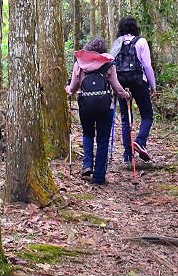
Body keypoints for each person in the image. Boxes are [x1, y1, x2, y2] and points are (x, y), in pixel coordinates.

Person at [65, 37, 130, 185]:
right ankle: (99, 176)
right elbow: (117, 88)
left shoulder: (79, 64)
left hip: (85, 106)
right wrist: (126, 95)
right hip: (105, 107)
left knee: (87, 134)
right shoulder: (108, 64)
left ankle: (87, 165)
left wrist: (67, 88)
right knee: (103, 140)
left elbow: (73, 89)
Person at [110, 17, 157, 164]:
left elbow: (111, 63)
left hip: (121, 83)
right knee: (147, 115)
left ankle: (127, 155)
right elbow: (147, 66)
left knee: (126, 119)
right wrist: (152, 85)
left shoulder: (117, 43)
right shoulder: (141, 41)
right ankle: (140, 141)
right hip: (138, 82)